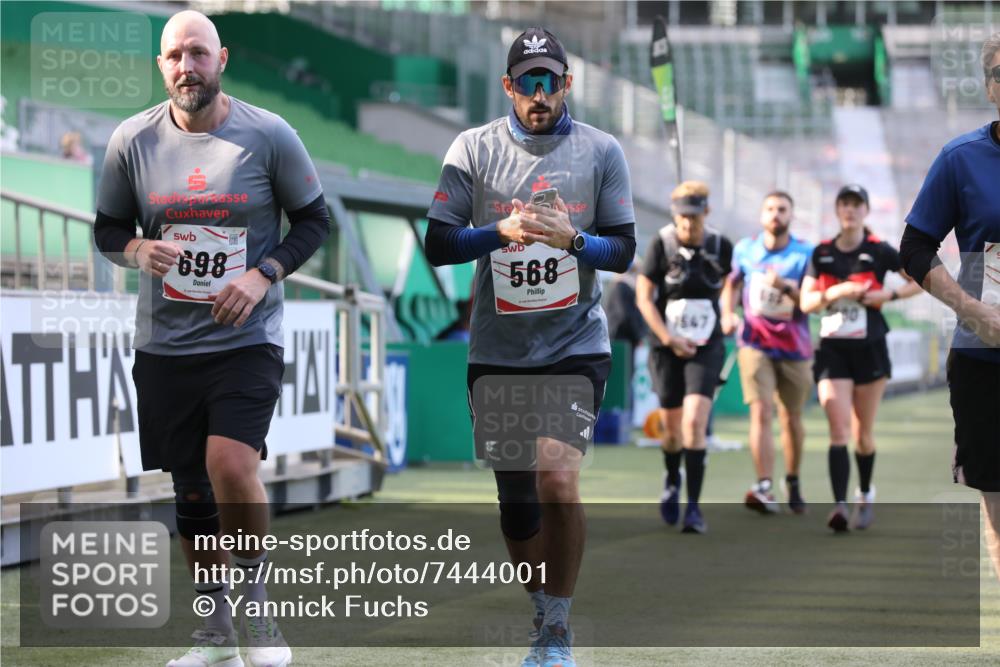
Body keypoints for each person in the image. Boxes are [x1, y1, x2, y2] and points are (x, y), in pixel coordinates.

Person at [93, 11, 330, 667]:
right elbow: (107, 228)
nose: (186, 67)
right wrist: (138, 248)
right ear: (161, 65)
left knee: (232, 464)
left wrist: (263, 274)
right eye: (174, 56)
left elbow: (314, 220)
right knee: (192, 489)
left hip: (246, 339)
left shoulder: (269, 135)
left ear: (220, 59)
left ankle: (257, 609)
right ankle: (215, 631)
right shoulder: (131, 141)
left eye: (197, 53)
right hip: (165, 347)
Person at [424, 26, 636, 667]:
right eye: (528, 82)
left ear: (567, 85)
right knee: (517, 506)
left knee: (557, 478)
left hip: (574, 344)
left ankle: (557, 631)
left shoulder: (602, 152)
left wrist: (573, 241)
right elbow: (439, 242)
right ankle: (543, 610)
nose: (539, 94)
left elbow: (622, 251)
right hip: (498, 351)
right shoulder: (472, 149)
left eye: (551, 81)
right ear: (509, 87)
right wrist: (500, 231)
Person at [900, 33, 1000, 579]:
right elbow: (914, 247)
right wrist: (973, 311)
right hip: (985, 358)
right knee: (997, 498)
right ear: (990, 87)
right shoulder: (961, 159)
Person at [799, 185, 921, 533]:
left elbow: (919, 280)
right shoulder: (821, 253)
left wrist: (890, 293)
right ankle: (839, 506)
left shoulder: (879, 250)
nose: (850, 210)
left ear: (865, 210)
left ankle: (865, 493)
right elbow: (806, 303)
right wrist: (836, 291)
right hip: (833, 349)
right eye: (844, 204)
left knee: (862, 433)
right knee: (838, 428)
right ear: (837, 210)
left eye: (856, 205)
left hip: (869, 348)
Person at [636, 181, 733, 535]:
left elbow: (732, 283)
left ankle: (693, 507)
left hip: (706, 345)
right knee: (673, 429)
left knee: (695, 422)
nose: (687, 225)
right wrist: (668, 338)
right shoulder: (660, 244)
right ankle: (672, 476)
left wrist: (731, 311)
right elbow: (644, 298)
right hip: (667, 345)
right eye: (681, 217)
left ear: (705, 213)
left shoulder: (721, 246)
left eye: (694, 217)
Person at [721, 191, 813, 514]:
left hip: (795, 347)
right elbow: (731, 285)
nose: (776, 215)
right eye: (770, 209)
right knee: (760, 411)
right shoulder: (745, 249)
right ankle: (763, 484)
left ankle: (793, 478)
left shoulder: (805, 253)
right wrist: (727, 313)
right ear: (761, 216)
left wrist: (785, 287)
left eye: (783, 209)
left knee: (791, 418)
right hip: (754, 342)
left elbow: (812, 301)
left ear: (791, 215)